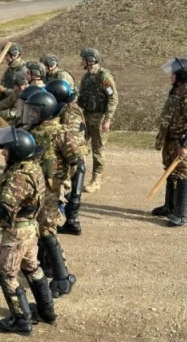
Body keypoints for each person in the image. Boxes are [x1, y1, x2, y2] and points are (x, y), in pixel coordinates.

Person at [0, 128, 56, 335]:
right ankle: (47, 312)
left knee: (6, 274)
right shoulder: (31, 167)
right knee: (32, 267)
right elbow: (12, 195)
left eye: (6, 149)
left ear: (16, 151)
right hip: (30, 230)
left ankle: (21, 319)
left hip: (17, 233)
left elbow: (6, 210)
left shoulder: (19, 176)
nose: (3, 152)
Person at [24, 91, 82, 298]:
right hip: (32, 189)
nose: (29, 114)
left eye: (33, 111)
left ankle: (62, 277)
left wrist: (73, 197)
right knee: (37, 229)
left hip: (51, 190)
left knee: (47, 231)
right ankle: (44, 267)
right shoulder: (31, 130)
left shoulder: (61, 133)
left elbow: (78, 162)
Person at [152, 58, 187, 227]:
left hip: (180, 140)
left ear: (182, 75)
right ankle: (169, 206)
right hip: (170, 138)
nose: (170, 76)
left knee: (181, 171)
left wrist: (183, 145)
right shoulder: (176, 90)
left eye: (173, 73)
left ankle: (181, 214)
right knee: (170, 170)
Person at [46, 80, 88, 235]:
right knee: (69, 190)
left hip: (74, 157)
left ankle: (70, 221)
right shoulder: (67, 109)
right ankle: (72, 221)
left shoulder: (70, 113)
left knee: (67, 189)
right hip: (74, 156)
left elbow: (72, 138)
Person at [77, 48, 118, 193]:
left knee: (97, 149)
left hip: (99, 119)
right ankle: (76, 174)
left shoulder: (104, 77)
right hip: (86, 117)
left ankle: (96, 179)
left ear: (91, 60)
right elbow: (81, 96)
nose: (81, 62)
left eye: (84, 59)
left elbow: (113, 99)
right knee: (78, 145)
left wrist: (107, 119)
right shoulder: (86, 77)